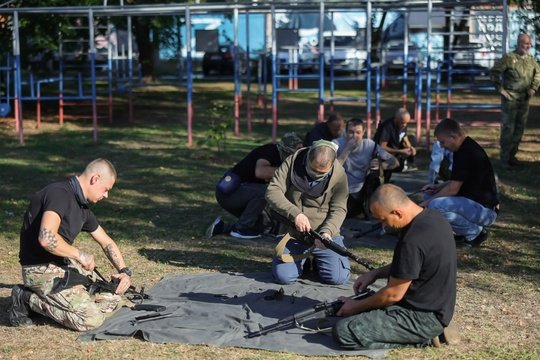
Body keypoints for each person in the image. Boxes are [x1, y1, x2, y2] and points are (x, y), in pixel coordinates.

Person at [9, 159, 133, 331]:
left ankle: (69, 300)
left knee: (115, 295)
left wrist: (124, 272)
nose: (106, 196)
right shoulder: (59, 193)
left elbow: (106, 242)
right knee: (90, 320)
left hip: (63, 266)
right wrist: (79, 254)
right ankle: (26, 299)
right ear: (95, 179)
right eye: (106, 190)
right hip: (39, 269)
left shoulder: (82, 207)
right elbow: (46, 238)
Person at [333, 184, 457, 349]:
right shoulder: (433, 217)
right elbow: (410, 264)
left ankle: (420, 340)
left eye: (384, 220)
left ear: (397, 212)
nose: (384, 226)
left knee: (344, 331)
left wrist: (355, 307)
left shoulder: (412, 241)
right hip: (435, 308)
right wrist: (375, 274)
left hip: (422, 318)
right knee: (364, 303)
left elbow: (393, 295)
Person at [266, 139, 351, 285]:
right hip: (294, 233)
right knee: (284, 277)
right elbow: (272, 191)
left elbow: (339, 208)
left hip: (324, 236)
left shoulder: (339, 175)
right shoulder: (292, 162)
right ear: (307, 158)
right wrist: (295, 214)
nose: (316, 175)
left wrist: (327, 232)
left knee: (338, 278)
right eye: (313, 170)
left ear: (331, 166)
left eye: (321, 173)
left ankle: (317, 261)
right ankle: (302, 262)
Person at [207, 132, 304, 239]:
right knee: (266, 191)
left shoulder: (282, 157)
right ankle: (241, 229)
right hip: (230, 193)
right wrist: (289, 172)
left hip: (243, 194)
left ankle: (222, 227)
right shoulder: (269, 151)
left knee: (266, 226)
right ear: (285, 150)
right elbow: (260, 172)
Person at [421, 118, 499, 247]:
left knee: (434, 204)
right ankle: (464, 231)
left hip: (485, 211)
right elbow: (456, 181)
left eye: (443, 142)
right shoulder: (462, 149)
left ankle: (475, 233)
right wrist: (437, 187)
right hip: (474, 204)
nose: (442, 146)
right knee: (429, 197)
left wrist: (423, 205)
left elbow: (453, 189)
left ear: (453, 136)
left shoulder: (467, 152)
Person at [490, 33, 540, 168]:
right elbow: (494, 72)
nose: (528, 46)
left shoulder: (531, 60)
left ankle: (512, 156)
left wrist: (533, 88)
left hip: (524, 99)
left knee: (519, 128)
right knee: (508, 129)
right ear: (518, 44)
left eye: (529, 44)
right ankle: (504, 159)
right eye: (525, 43)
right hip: (510, 99)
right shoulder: (509, 58)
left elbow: (538, 74)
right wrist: (501, 90)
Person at [333, 118, 399, 218]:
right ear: (345, 132)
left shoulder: (369, 145)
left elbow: (395, 162)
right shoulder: (336, 144)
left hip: (361, 190)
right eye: (351, 132)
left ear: (363, 133)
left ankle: (370, 209)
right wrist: (347, 150)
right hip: (340, 189)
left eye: (358, 133)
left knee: (374, 177)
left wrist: (381, 165)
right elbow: (329, 169)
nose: (354, 136)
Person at [373, 108, 417, 183]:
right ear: (396, 119)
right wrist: (400, 151)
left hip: (394, 150)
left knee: (412, 138)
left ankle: (407, 164)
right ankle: (381, 174)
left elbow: (405, 138)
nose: (405, 125)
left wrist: (411, 149)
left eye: (406, 123)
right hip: (382, 153)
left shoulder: (403, 124)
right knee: (393, 162)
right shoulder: (387, 126)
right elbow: (382, 147)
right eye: (402, 123)